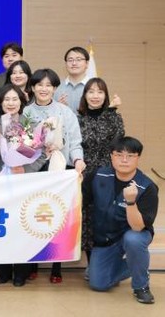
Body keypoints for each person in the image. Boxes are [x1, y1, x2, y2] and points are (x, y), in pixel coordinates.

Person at [23, 68, 85, 283]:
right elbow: (22, 146)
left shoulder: (65, 112)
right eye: (39, 85)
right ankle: (33, 264)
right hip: (35, 169)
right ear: (32, 88)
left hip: (61, 169)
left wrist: (78, 160)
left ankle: (56, 266)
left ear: (55, 88)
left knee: (57, 216)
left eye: (49, 85)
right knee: (34, 213)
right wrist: (38, 147)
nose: (44, 89)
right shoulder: (26, 113)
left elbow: (75, 142)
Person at [84, 137, 158, 304]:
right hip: (106, 239)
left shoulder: (147, 187)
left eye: (130, 156)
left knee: (133, 239)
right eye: (119, 155)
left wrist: (131, 202)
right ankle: (135, 265)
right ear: (111, 156)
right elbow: (79, 202)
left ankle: (141, 286)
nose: (124, 160)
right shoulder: (98, 176)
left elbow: (138, 227)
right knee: (98, 284)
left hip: (134, 234)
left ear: (138, 157)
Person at [0, 84, 48, 286]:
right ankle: (3, 271)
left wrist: (25, 169)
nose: (11, 103)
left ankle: (21, 272)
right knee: (2, 224)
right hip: (1, 179)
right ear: (1, 103)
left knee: (22, 225)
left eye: (15, 99)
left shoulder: (30, 124)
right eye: (7, 99)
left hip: (24, 181)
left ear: (21, 102)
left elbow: (41, 155)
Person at [78, 77, 125, 275]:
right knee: (87, 219)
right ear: (85, 95)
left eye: (100, 92)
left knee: (106, 217)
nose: (95, 96)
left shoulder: (114, 117)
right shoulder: (78, 118)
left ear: (105, 95)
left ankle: (109, 261)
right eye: (91, 91)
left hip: (108, 175)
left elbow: (118, 146)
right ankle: (92, 264)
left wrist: (110, 112)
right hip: (84, 174)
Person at [55, 46, 91, 113]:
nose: (74, 63)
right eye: (70, 60)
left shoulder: (94, 86)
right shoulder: (57, 87)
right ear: (65, 64)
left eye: (78, 60)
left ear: (87, 63)